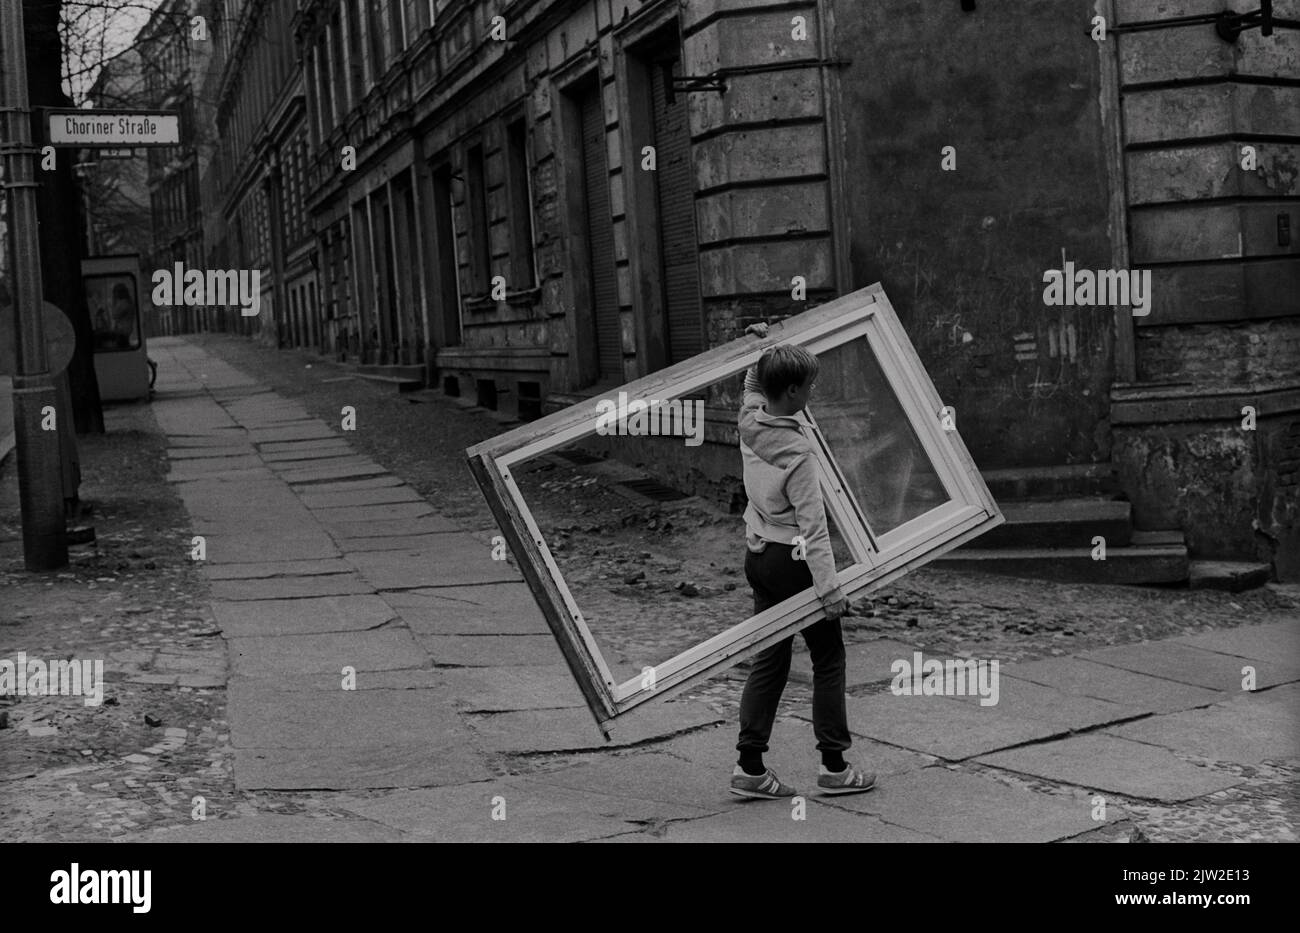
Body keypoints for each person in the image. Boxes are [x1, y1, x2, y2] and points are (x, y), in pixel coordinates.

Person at [730, 321, 876, 799]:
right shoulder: (798, 454)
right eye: (809, 385)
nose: (813, 391)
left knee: (769, 660)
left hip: (760, 556)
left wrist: (763, 348)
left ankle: (750, 767)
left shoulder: (750, 419)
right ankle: (834, 766)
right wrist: (831, 591)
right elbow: (814, 531)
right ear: (791, 391)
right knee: (828, 657)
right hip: (794, 562)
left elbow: (754, 385)